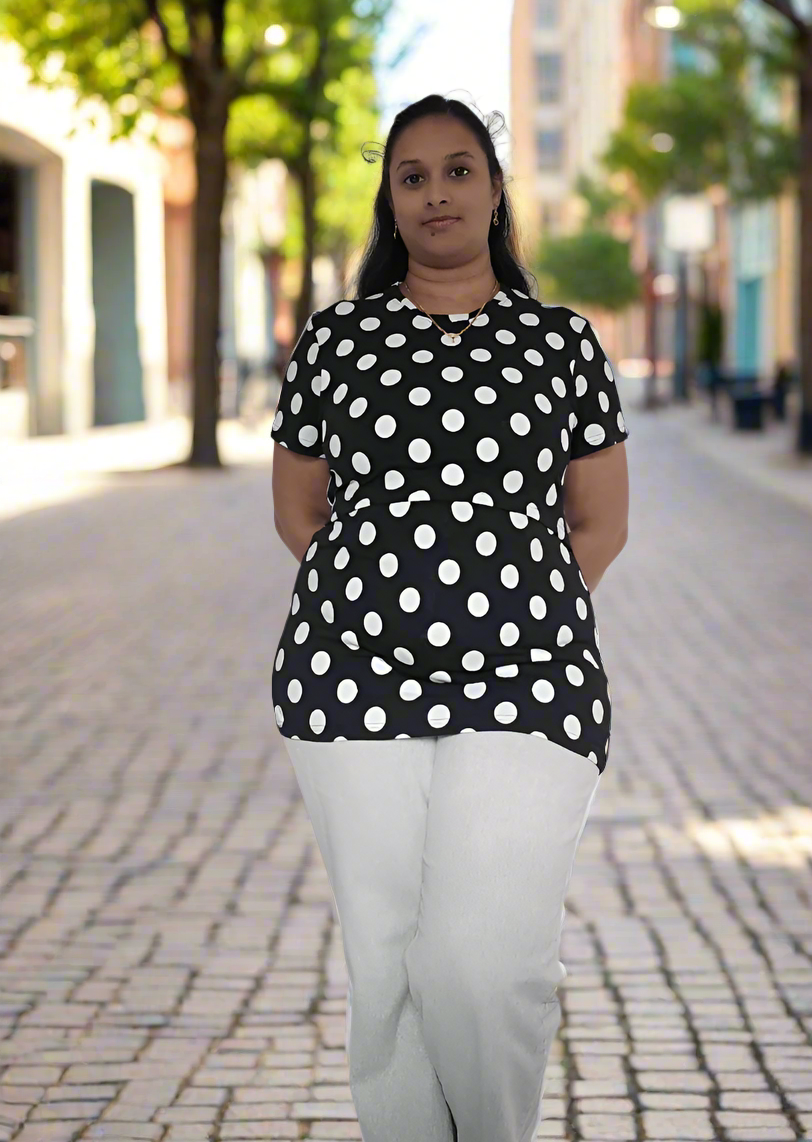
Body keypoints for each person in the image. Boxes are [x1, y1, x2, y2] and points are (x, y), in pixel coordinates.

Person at [269, 94, 630, 1142]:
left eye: (458, 168)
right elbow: (300, 511)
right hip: (348, 680)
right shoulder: (335, 340)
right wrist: (384, 598)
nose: (435, 191)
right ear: (390, 198)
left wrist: (509, 607)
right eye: (413, 174)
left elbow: (597, 523)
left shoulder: (561, 343)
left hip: (530, 678)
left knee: (483, 957)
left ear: (494, 189)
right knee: (384, 958)